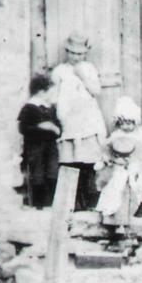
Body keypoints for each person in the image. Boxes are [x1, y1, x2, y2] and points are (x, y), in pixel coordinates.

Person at [51, 34, 107, 210]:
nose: (76, 57)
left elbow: (96, 90)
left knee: (88, 160)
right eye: (73, 53)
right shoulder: (60, 70)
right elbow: (53, 94)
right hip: (69, 119)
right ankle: (72, 201)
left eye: (80, 54)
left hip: (87, 119)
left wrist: (83, 76)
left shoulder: (88, 68)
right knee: (71, 159)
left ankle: (89, 199)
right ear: (67, 52)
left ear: (85, 54)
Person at [96, 96, 142, 221]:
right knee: (115, 181)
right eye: (122, 124)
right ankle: (115, 207)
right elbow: (108, 148)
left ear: (135, 122)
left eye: (128, 123)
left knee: (139, 179)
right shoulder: (117, 135)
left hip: (139, 163)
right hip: (120, 164)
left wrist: (138, 160)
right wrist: (108, 159)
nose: (125, 127)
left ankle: (141, 205)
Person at [17, 72, 61, 208]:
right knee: (37, 173)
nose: (52, 96)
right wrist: (41, 127)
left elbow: (58, 128)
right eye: (50, 93)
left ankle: (50, 202)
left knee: (52, 172)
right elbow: (23, 128)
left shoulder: (50, 108)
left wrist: (55, 129)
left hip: (50, 148)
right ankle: (38, 203)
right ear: (41, 92)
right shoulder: (29, 108)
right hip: (35, 148)